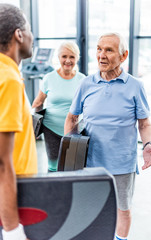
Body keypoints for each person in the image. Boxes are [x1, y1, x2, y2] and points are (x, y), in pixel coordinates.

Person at [64, 32, 151, 240]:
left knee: (122, 209)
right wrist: (68, 153)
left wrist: (148, 143)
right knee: (92, 208)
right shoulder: (86, 84)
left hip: (122, 163)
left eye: (109, 50)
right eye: (98, 49)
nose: (101, 55)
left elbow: (145, 123)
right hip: (91, 163)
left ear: (123, 56)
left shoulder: (135, 86)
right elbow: (71, 118)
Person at [0, 3, 37, 240]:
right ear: (19, 34)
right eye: (29, 30)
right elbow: (2, 163)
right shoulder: (9, 79)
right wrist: (13, 229)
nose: (33, 37)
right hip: (9, 198)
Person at [32, 41, 86, 172]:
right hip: (51, 128)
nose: (68, 60)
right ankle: (53, 192)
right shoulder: (48, 78)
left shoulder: (82, 79)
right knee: (53, 166)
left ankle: (70, 192)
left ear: (77, 58)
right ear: (58, 58)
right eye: (64, 56)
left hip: (74, 131)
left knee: (74, 167)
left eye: (72, 57)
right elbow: (38, 103)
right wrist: (34, 128)